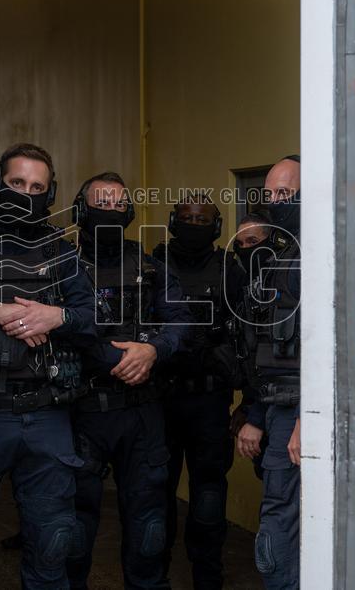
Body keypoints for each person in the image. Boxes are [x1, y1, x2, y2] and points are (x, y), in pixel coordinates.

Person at [0, 144, 97, 589]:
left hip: (47, 414)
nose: (25, 194)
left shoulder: (61, 253)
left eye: (36, 188)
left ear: (49, 194)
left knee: (53, 540)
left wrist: (56, 316)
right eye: (16, 183)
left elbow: (92, 318)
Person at [66, 172, 192, 590]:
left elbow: (180, 320)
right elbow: (58, 329)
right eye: (101, 203)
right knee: (72, 529)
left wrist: (154, 350)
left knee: (149, 528)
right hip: (82, 412)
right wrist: (117, 358)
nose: (111, 211)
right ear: (81, 210)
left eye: (119, 204)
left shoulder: (150, 267)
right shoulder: (62, 267)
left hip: (142, 413)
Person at [152, 197, 246, 589]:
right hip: (161, 400)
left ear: (216, 227)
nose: (194, 225)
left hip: (209, 402)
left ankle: (208, 578)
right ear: (173, 222)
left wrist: (247, 398)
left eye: (201, 220)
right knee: (156, 494)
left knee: (208, 495)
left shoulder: (230, 270)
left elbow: (248, 334)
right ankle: (154, 576)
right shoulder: (153, 265)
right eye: (187, 218)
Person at [239, 156, 302, 589]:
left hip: (301, 416)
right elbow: (270, 351)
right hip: (279, 411)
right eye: (271, 194)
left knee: (281, 533)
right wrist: (257, 416)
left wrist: (306, 417)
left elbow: (331, 348)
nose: (276, 202)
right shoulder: (283, 258)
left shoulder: (327, 255)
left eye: (285, 193)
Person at [228, 212, 272, 480]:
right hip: (259, 402)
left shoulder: (282, 284)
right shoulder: (246, 286)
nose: (245, 249)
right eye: (240, 244)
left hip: (280, 407)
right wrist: (247, 405)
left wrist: (256, 416)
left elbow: (277, 363)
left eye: (253, 242)